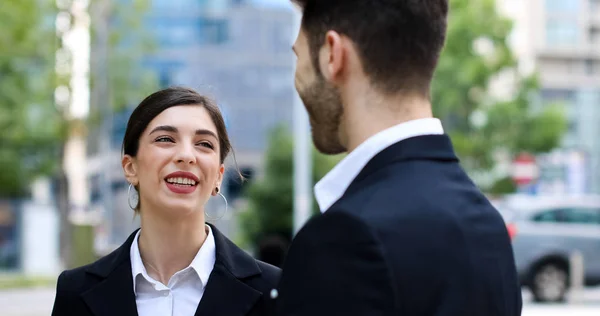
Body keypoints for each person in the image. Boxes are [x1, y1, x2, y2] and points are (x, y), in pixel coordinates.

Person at [275, 1, 522, 315]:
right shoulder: (487, 225)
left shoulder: (345, 239)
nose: (297, 76)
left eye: (298, 56)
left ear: (332, 55)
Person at [51, 87, 280, 316]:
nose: (187, 156)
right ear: (131, 168)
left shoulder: (275, 290)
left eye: (204, 144)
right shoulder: (76, 291)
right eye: (165, 139)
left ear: (218, 176)